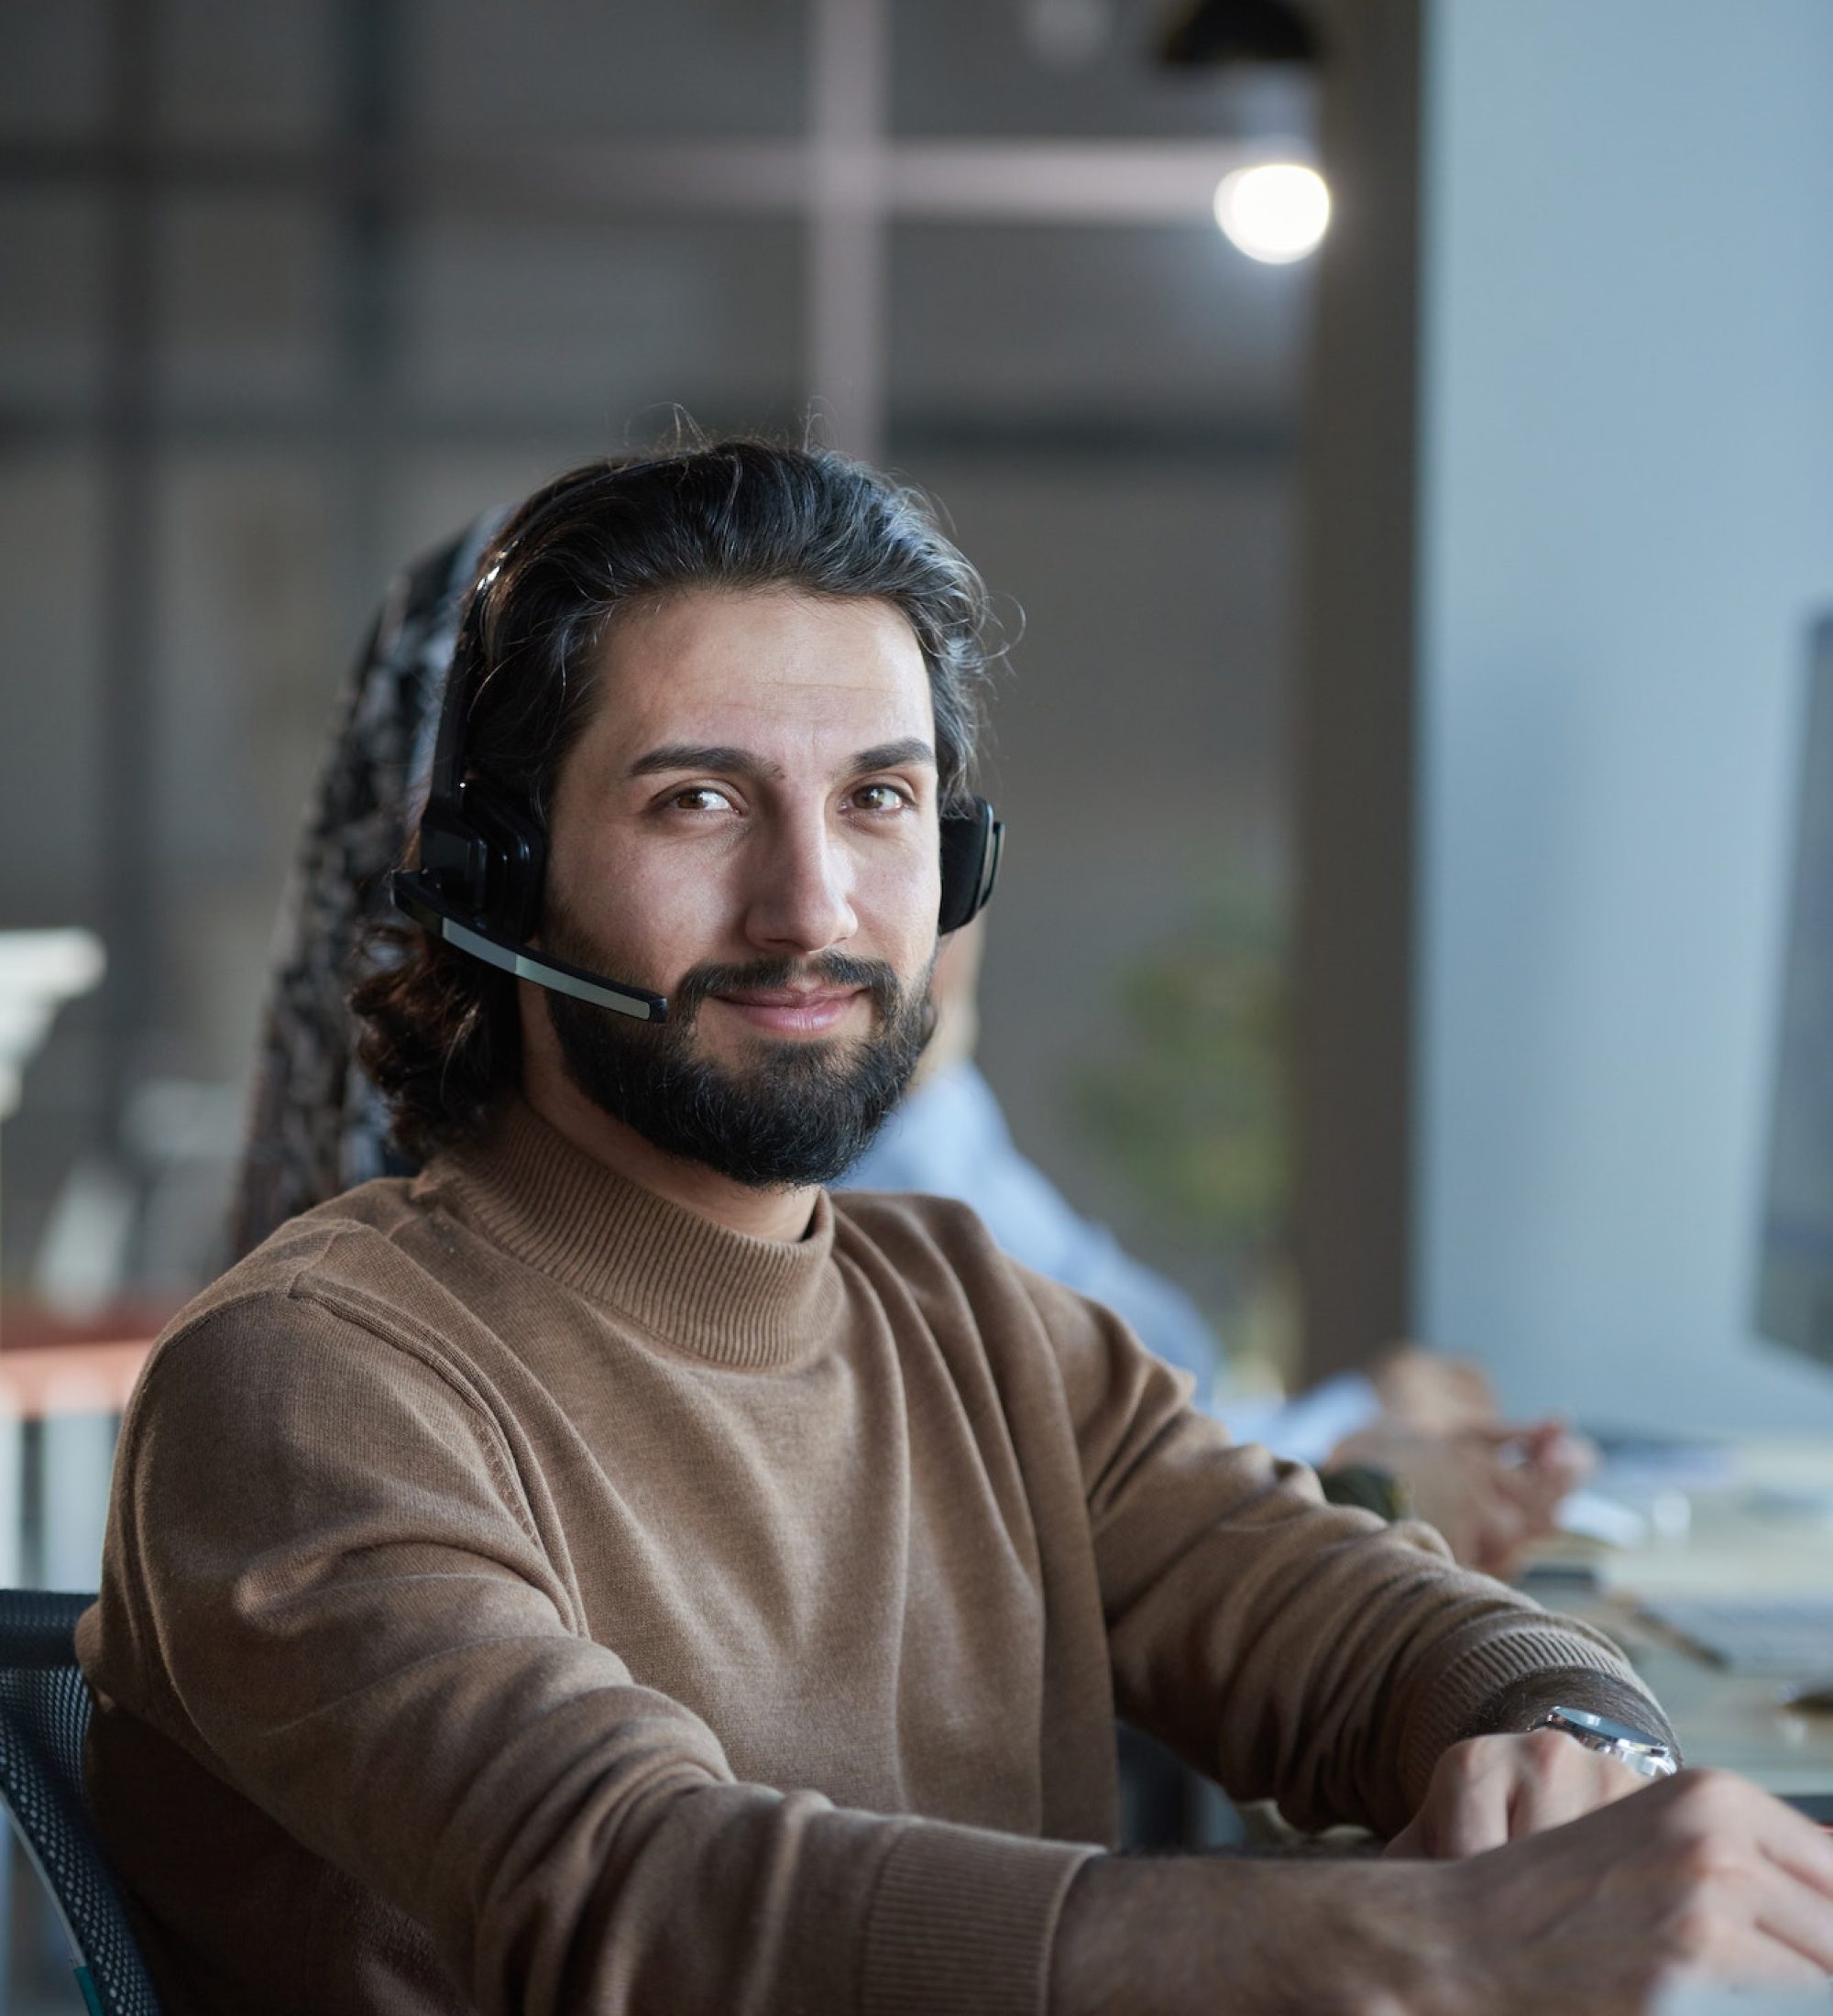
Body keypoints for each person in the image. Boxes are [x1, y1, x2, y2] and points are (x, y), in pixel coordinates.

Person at [81, 441, 1833, 2013]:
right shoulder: (306, 1383)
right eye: (699, 800)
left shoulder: (978, 1321)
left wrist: (1567, 1736)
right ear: (497, 872)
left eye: (880, 799)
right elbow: (643, 1900)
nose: (811, 908)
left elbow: (1358, 1619)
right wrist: (1417, 1947)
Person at [843, 919, 1588, 1579]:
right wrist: (1364, 1482)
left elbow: (1148, 1403)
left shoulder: (937, 1116)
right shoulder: (873, 1196)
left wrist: (1365, 1415)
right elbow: (1087, 1508)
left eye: (896, 819)